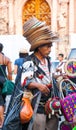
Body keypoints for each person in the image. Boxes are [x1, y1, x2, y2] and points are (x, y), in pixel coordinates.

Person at [21, 17, 59, 130]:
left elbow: (50, 76)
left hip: (51, 104)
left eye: (51, 46)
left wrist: (57, 77)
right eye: (47, 46)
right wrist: (38, 85)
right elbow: (25, 81)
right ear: (38, 47)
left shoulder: (48, 60)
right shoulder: (29, 61)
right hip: (37, 105)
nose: (50, 49)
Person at [0, 43, 12, 128]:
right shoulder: (6, 59)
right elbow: (10, 73)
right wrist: (9, 82)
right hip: (3, 81)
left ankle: (1, 121)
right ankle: (2, 120)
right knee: (2, 101)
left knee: (0, 102)